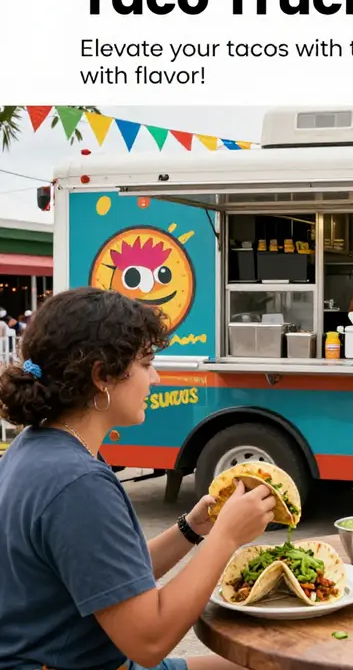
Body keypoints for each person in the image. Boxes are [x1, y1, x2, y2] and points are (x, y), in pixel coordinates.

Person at [0, 287, 276, 670]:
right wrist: (227, 536)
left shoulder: (38, 447)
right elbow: (149, 641)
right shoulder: (77, 483)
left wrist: (193, 528)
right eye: (146, 364)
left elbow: (111, 580)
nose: (156, 378)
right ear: (102, 376)